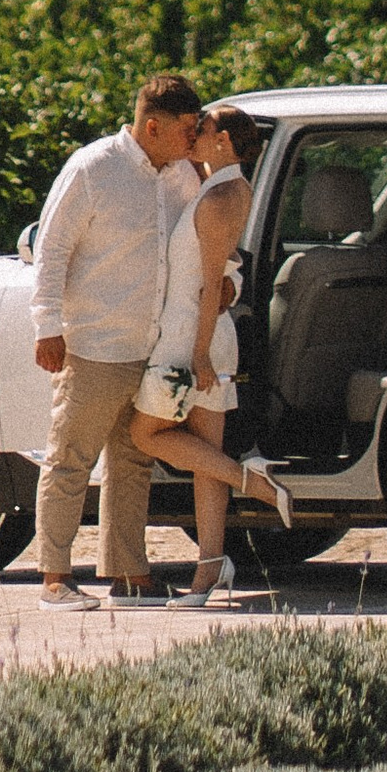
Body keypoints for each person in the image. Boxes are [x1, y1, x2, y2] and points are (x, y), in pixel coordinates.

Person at [29, 73, 205, 600]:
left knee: (133, 462)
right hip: (93, 346)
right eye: (187, 130)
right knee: (70, 459)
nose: (193, 140)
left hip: (150, 348)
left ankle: (130, 575)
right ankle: (55, 578)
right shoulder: (92, 169)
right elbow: (52, 249)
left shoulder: (181, 176)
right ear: (153, 126)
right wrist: (48, 327)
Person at [128, 103, 290, 603]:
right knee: (204, 457)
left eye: (204, 129)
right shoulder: (216, 184)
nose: (194, 134)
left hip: (193, 337)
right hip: (194, 333)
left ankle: (254, 482)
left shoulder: (222, 196)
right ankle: (211, 568)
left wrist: (198, 354)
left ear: (223, 142)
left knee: (145, 433)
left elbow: (210, 284)